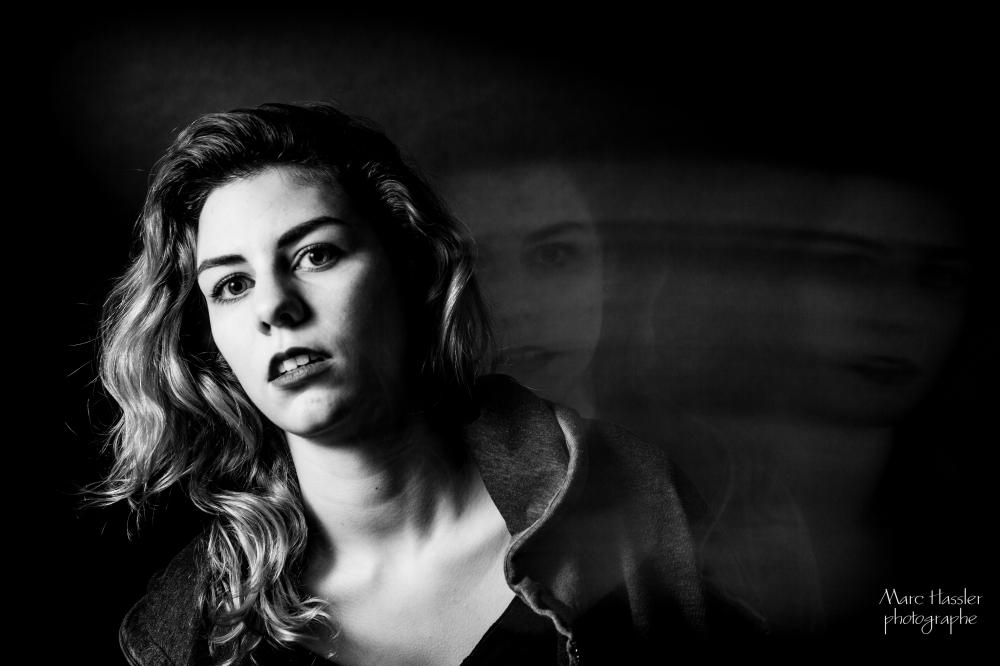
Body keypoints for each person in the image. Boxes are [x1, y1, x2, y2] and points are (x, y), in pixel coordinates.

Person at [95, 102, 721, 666]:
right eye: (232, 285)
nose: (275, 307)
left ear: (411, 270)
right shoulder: (183, 638)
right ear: (211, 345)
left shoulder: (632, 498)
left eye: (316, 254)